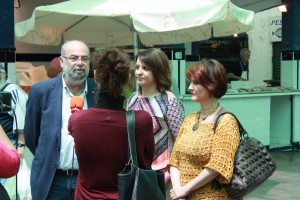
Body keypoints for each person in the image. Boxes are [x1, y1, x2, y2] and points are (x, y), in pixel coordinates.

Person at [68, 48, 155, 199]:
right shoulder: (142, 121)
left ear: (95, 76)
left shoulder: (77, 120)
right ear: (127, 80)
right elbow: (147, 160)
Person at [24, 40, 98, 200]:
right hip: (52, 180)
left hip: (89, 179)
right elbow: (31, 136)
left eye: (85, 59)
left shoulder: (99, 92)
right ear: (62, 61)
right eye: (74, 58)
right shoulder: (41, 92)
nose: (80, 63)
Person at [168, 58, 240, 200]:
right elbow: (174, 159)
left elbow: (218, 165)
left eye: (196, 83)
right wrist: (178, 190)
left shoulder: (226, 122)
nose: (189, 88)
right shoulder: (190, 119)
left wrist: (185, 189)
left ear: (211, 86)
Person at [127, 48, 185, 188]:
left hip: (164, 176)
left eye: (145, 68)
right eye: (137, 67)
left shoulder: (169, 101)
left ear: (157, 70)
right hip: (136, 173)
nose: (139, 72)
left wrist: (172, 174)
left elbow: (181, 142)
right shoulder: (132, 99)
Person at [0, 63, 27, 185]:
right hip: (3, 143)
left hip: (10, 142)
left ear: (3, 74)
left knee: (7, 181)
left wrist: (20, 145)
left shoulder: (13, 91)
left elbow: (21, 117)